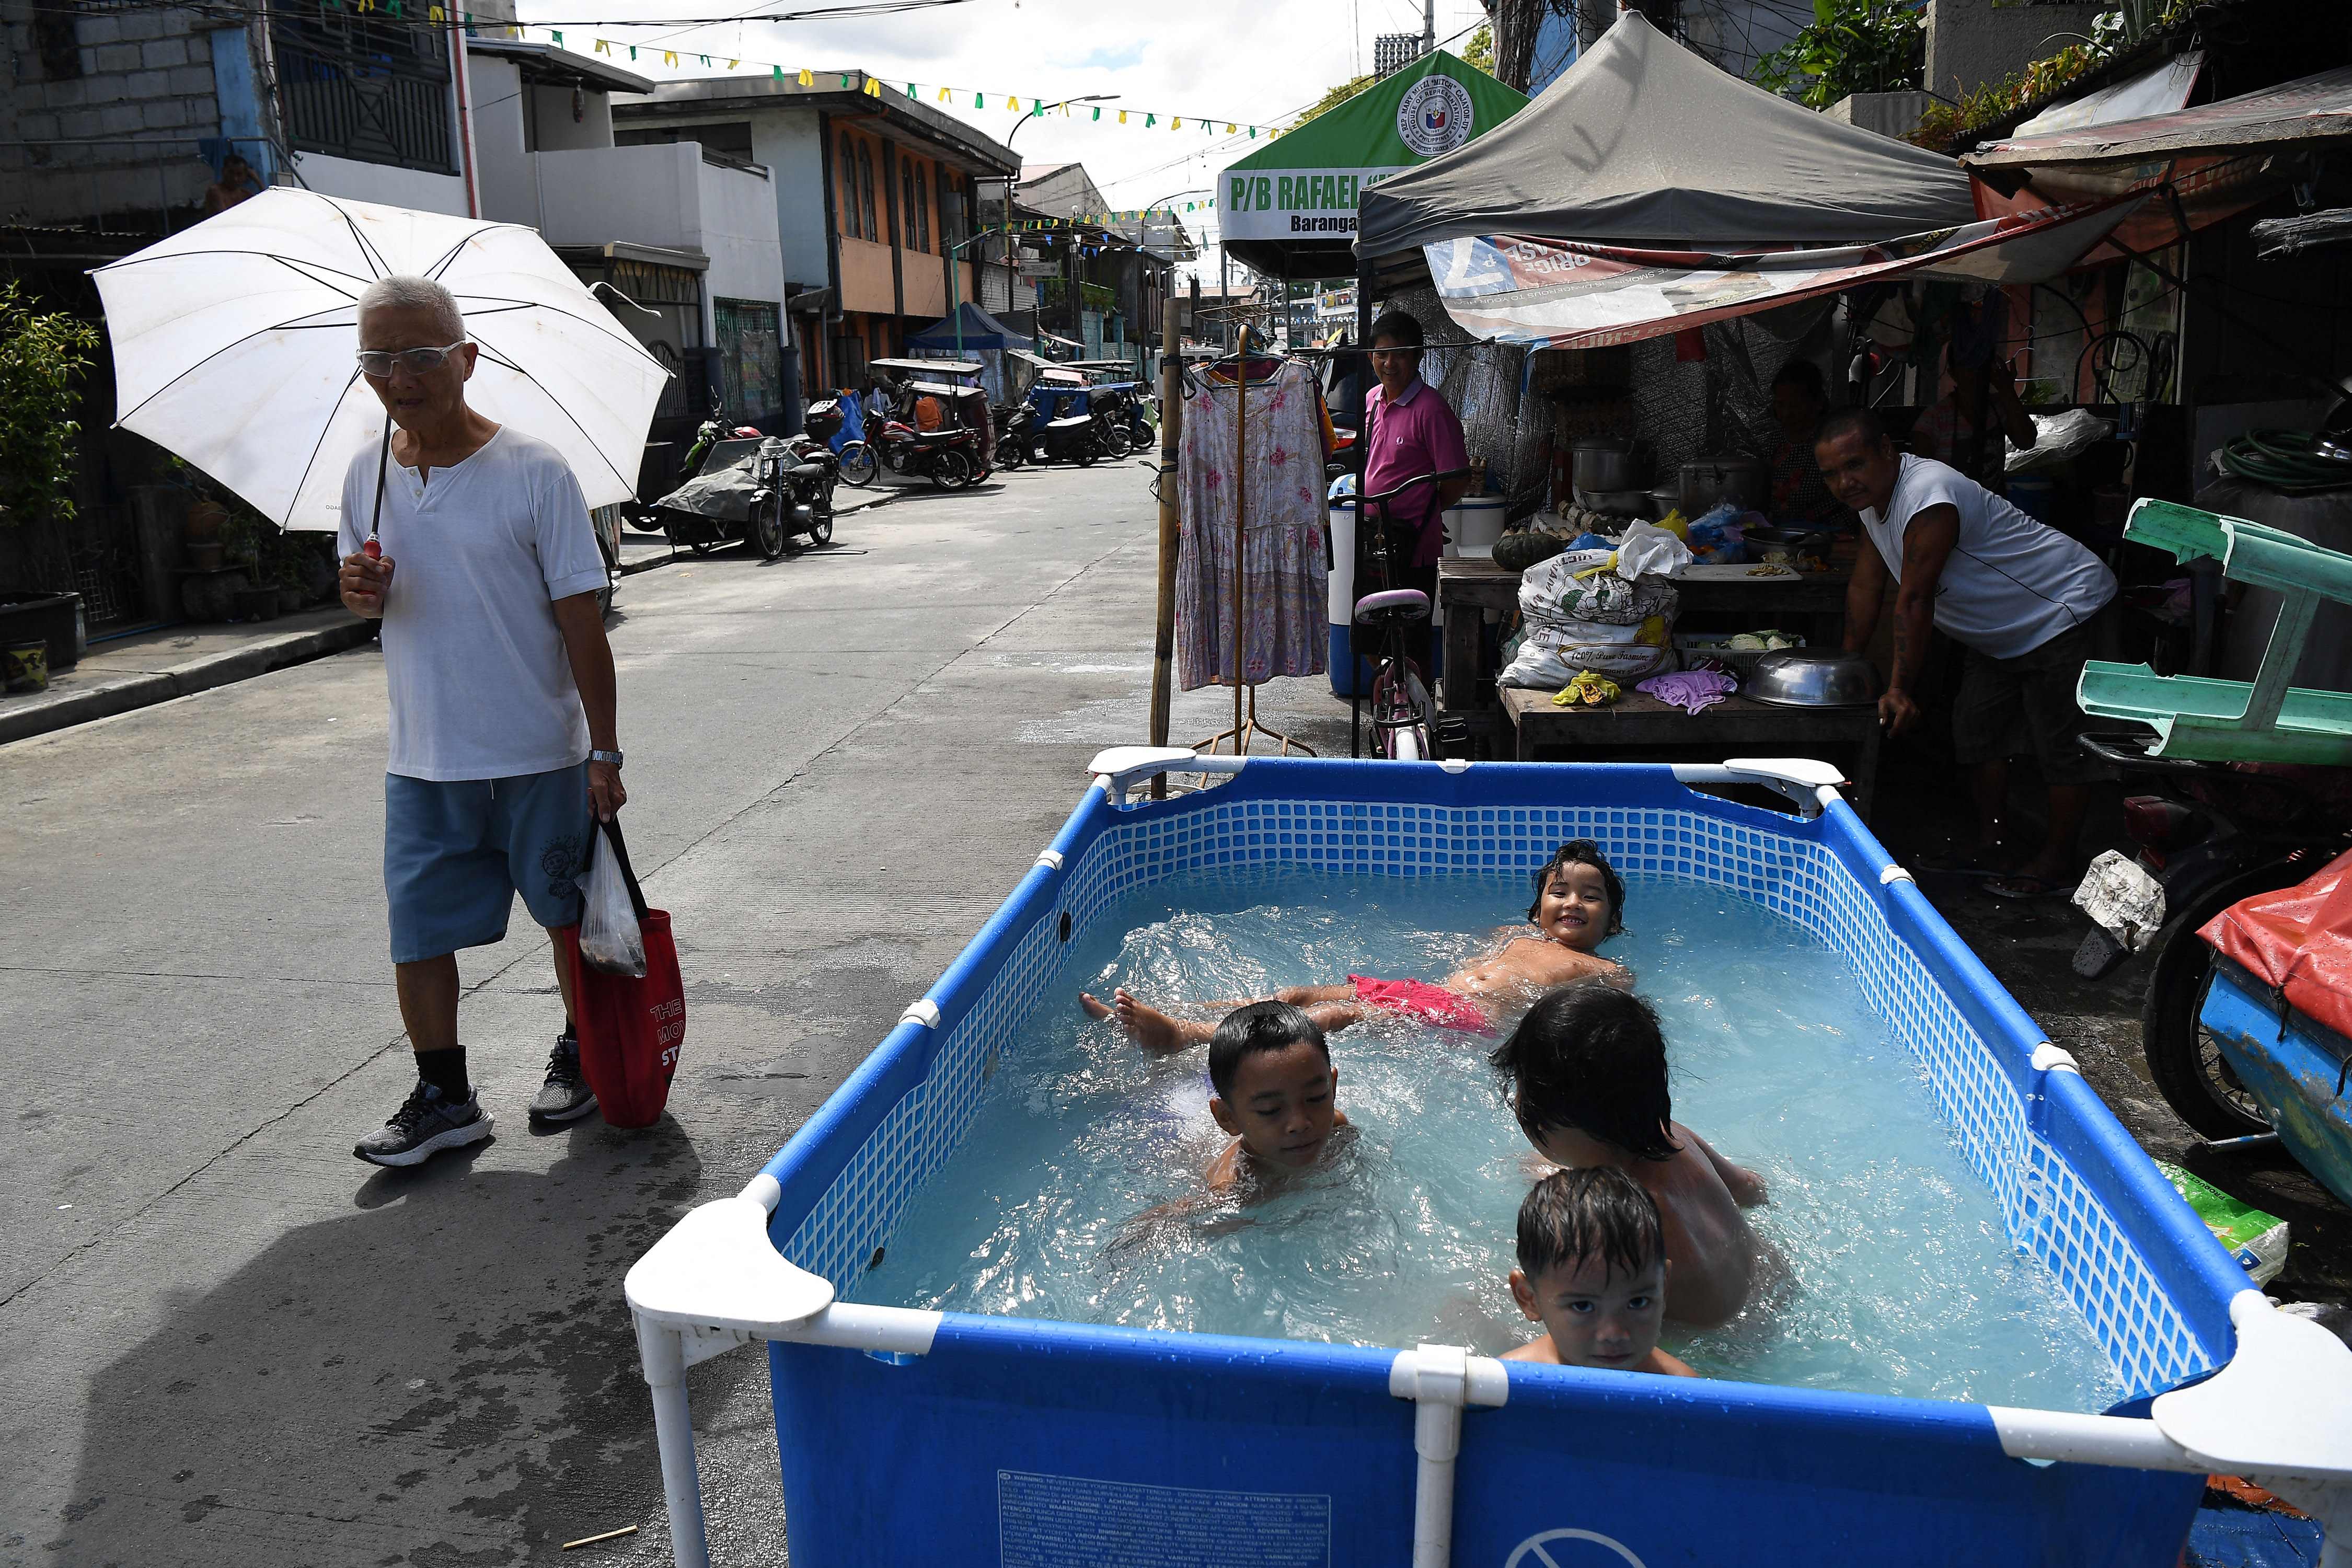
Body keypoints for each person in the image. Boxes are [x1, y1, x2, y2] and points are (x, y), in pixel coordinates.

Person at [337, 275, 626, 1167]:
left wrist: (604, 751)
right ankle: (446, 1096)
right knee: (417, 935)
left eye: (420, 356)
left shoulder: (533, 472)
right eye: (379, 358)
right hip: (423, 758)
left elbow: (584, 622)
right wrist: (360, 593)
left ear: (466, 360)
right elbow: (364, 604)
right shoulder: (367, 474)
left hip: (538, 752)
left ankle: (583, 1052)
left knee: (568, 921)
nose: (400, 376)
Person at [1816, 406, 2117, 898]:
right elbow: (1866, 585)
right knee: (1978, 734)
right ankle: (1992, 841)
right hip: (1995, 632)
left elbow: (1913, 599)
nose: (1845, 482)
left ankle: (2058, 863)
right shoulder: (1872, 505)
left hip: (2062, 610)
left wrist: (1898, 689)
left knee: (2062, 748)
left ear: (1887, 452)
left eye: (1855, 465)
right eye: (1832, 474)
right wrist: (1843, 669)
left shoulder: (1927, 494)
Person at [1081, 841, 1627, 1052]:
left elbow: (1589, 1018)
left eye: (1591, 897)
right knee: (1300, 992)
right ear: (1538, 909)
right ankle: (1196, 1012)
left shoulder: (1602, 968)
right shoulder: (1513, 937)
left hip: (1465, 1014)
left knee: (1340, 1013)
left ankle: (1186, 1036)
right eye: (1559, 891)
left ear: (1612, 920)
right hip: (1431, 993)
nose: (1573, 902)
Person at [1489, 982, 1767, 1329]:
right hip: (1765, 1282)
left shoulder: (1616, 1213)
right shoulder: (1673, 1135)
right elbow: (1751, 1188)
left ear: (1562, 1115)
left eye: (1521, 1087)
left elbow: (1580, 1309)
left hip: (1704, 1337)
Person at [1503, 1167, 1697, 1376]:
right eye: (1583, 1306)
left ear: (1664, 1286)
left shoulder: (1680, 1386)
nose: (1614, 1334)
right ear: (1529, 1299)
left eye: (1638, 1302)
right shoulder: (1507, 1383)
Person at [1361, 310, 1472, 614]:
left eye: (1399, 354)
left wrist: (1428, 510)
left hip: (1412, 544)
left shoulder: (1431, 409)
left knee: (1409, 641)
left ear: (1417, 357)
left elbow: (1457, 477)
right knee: (1368, 632)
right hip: (1373, 539)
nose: (1389, 364)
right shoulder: (1371, 399)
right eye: (1381, 354)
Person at [1201, 1002, 1352, 1196]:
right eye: (1270, 1110)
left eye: (1316, 1098)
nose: (1300, 1124)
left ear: (1332, 1088)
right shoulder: (1233, 1187)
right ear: (1228, 1118)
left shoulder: (1336, 1127)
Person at [1762, 359, 1845, 529]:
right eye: (1781, 405)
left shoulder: (1832, 442)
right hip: (1782, 533)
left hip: (1831, 533)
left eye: (1794, 405)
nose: (1787, 413)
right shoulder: (1775, 442)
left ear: (1817, 404)